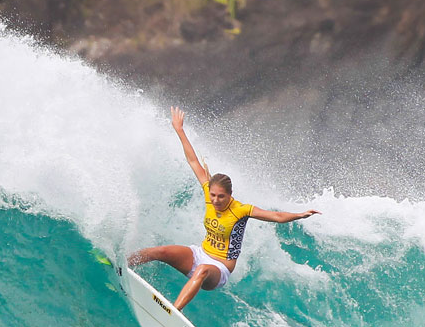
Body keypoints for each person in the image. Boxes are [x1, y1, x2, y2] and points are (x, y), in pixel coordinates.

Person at [127, 107, 320, 311]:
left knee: (201, 270)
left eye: (221, 196)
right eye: (213, 195)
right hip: (199, 253)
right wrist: (179, 129)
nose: (216, 200)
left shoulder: (241, 210)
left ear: (230, 194)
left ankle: (172, 313)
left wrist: (299, 215)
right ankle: (120, 265)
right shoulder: (208, 193)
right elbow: (193, 161)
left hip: (218, 269)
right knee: (160, 250)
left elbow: (276, 216)